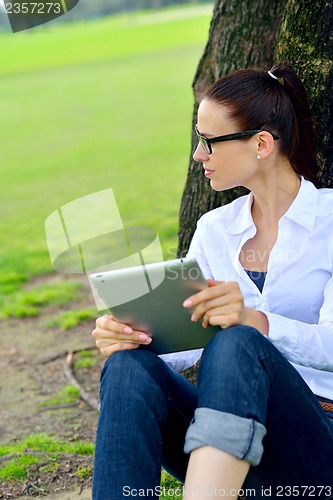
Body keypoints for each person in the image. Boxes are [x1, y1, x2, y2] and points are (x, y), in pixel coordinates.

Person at [91, 62, 333, 499]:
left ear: (261, 144)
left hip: (317, 443)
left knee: (239, 341)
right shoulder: (215, 228)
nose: (199, 155)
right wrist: (134, 337)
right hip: (226, 440)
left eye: (209, 142)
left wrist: (255, 321)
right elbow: (185, 343)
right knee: (127, 367)